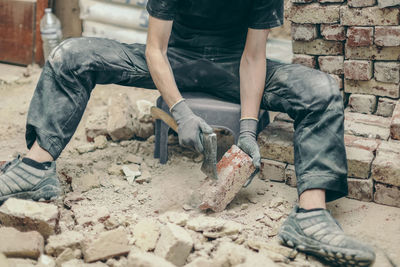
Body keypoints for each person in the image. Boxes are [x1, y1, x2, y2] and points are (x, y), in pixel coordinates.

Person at [0, 0, 375, 265]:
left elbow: (253, 57)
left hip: (232, 64)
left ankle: (310, 214)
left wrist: (247, 130)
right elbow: (155, 49)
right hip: (172, 60)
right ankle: (36, 167)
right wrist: (180, 109)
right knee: (71, 56)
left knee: (321, 90)